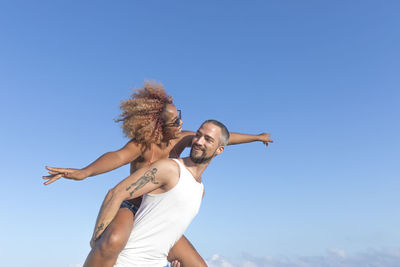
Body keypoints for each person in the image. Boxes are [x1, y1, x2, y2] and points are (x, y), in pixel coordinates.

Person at [43, 81, 273, 267]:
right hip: (134, 206)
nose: (180, 123)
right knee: (111, 241)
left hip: (158, 214)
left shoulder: (182, 138)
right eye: (174, 122)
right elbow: (116, 157)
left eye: (179, 116)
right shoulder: (143, 145)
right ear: (157, 126)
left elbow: (224, 137)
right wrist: (85, 172)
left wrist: (256, 137)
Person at [85, 120, 229, 267]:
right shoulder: (169, 168)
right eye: (198, 135)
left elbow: (167, 233)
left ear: (220, 149)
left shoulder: (200, 191)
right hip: (126, 261)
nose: (199, 141)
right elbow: (115, 193)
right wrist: (96, 240)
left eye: (208, 139)